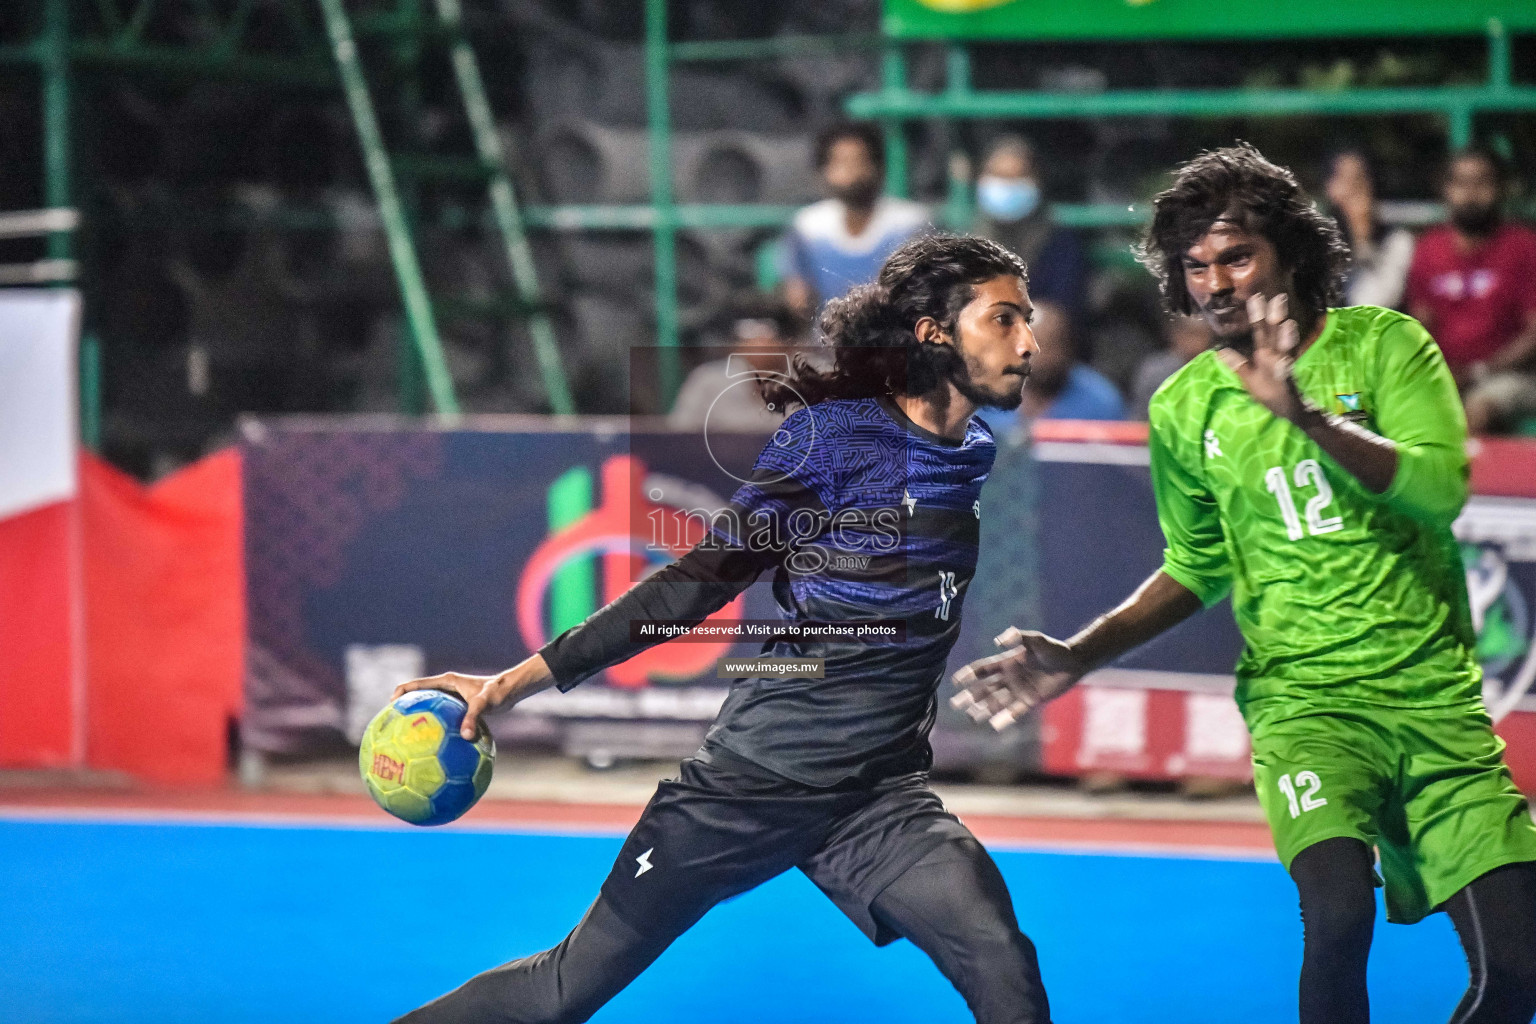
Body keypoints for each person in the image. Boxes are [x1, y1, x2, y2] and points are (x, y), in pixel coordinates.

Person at [393, 234, 1053, 1024]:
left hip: (877, 795)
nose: (1029, 342)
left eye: (1029, 319)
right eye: (1005, 319)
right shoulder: (838, 441)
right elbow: (693, 586)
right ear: (933, 331)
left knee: (1001, 960)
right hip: (750, 784)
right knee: (562, 991)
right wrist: (510, 683)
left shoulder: (975, 448)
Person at [954, 143, 1536, 1024]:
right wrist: (1076, 654)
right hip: (1305, 709)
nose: (1215, 284)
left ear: (1291, 254)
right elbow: (1195, 566)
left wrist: (1306, 416)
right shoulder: (1184, 408)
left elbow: (1437, 488)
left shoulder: (1386, 347)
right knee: (1337, 915)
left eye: (1236, 257)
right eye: (1196, 269)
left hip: (1435, 708)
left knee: (1518, 978)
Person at [1406, 146, 1536, 434]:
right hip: (1444, 373)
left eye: (1482, 182)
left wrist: (1480, 370)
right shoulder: (1429, 249)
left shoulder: (1523, 246)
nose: (1471, 193)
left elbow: (1534, 333)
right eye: (1461, 183)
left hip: (1510, 375)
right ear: (1447, 190)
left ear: (1500, 188)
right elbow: (1420, 325)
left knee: (1476, 410)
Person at [780, 122, 928, 317]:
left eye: (859, 161)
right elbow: (797, 295)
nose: (851, 172)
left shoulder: (910, 224)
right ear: (823, 171)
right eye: (840, 162)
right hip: (827, 339)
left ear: (879, 166)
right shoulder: (808, 226)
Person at [971, 135, 1088, 328]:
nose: (1007, 187)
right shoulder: (964, 237)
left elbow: (1063, 308)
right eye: (1000, 176)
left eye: (1017, 177)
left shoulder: (1058, 239)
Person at [973, 300, 1123, 439]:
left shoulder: (1101, 401)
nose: (1041, 356)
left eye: (1051, 346)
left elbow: (1116, 462)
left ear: (1070, 348)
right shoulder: (981, 394)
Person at [667, 294, 805, 432]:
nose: (757, 341)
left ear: (789, 342)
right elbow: (678, 438)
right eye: (748, 331)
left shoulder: (811, 381)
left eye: (767, 331)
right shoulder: (708, 383)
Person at [1323, 149, 1415, 310]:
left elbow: (1376, 302)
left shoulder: (1398, 241)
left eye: (1358, 180)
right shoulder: (1319, 242)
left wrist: (1361, 237)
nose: (1353, 189)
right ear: (1330, 188)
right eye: (1344, 179)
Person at [1129, 315, 1212, 421]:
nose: (1196, 342)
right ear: (1176, 335)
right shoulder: (1155, 371)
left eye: (1202, 335)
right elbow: (1142, 416)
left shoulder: (1217, 369)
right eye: (1191, 334)